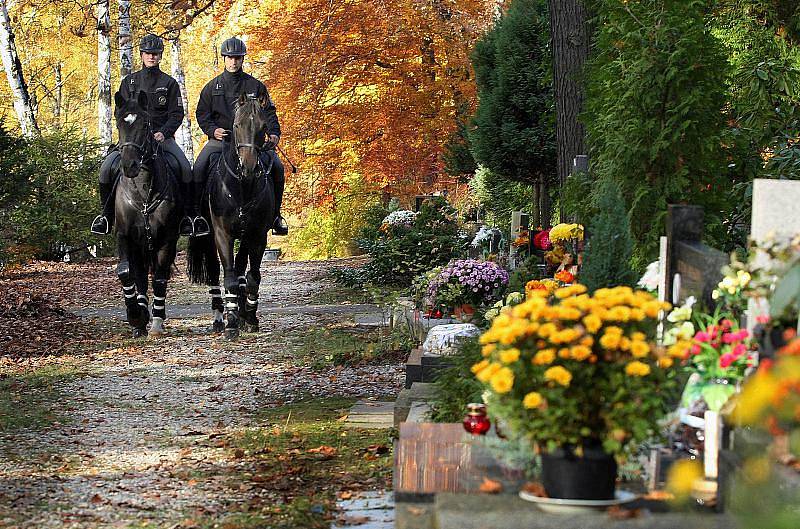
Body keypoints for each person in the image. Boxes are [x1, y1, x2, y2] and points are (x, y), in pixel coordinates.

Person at [90, 34, 198, 236]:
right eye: (148, 53)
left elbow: (176, 114)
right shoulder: (129, 82)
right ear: (141, 55)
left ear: (161, 56)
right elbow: (120, 112)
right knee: (106, 168)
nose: (152, 57)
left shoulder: (170, 83)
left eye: (155, 54)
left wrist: (163, 133)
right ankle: (106, 217)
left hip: (161, 140)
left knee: (185, 168)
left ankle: (188, 217)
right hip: (133, 141)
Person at [194, 37, 288, 236]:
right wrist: (212, 131)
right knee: (198, 168)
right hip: (221, 141)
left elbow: (269, 112)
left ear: (242, 59)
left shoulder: (255, 86)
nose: (233, 62)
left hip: (251, 143)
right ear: (224, 59)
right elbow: (202, 114)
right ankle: (197, 216)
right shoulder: (212, 87)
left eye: (237, 58)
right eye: (229, 58)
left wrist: (274, 133)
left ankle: (276, 216)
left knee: (278, 168)